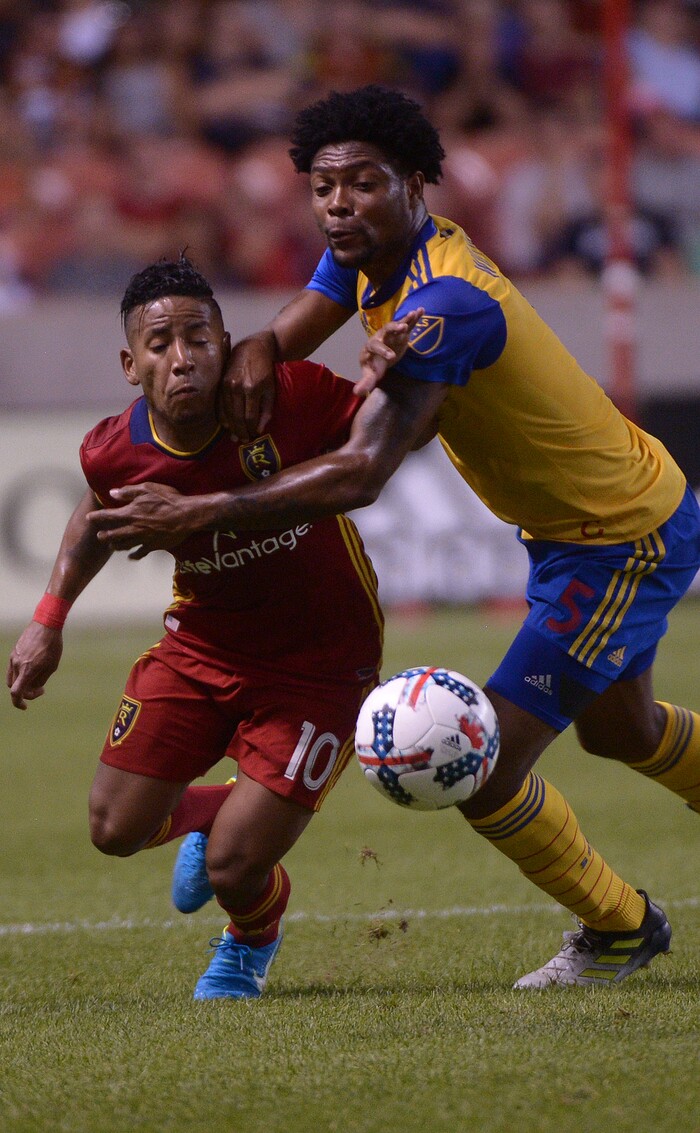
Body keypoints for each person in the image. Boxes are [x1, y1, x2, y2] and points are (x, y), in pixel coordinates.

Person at [87, 86, 700, 990]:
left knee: (480, 763)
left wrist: (199, 513)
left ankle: (618, 927)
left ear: (416, 183)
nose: (339, 204)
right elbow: (298, 321)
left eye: (364, 183)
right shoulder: (367, 258)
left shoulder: (448, 300)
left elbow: (364, 474)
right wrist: (256, 347)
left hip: (618, 540)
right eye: (323, 187)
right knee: (625, 729)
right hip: (579, 526)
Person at [7, 254, 383, 1001]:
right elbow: (94, 514)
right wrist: (48, 619)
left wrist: (387, 372)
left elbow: (385, 435)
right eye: (160, 344)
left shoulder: (288, 397)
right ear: (130, 363)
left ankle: (251, 936)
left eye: (199, 338)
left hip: (321, 663)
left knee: (234, 869)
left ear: (225, 342)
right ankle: (219, 810)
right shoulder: (112, 449)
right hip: (201, 646)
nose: (182, 359)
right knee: (114, 827)